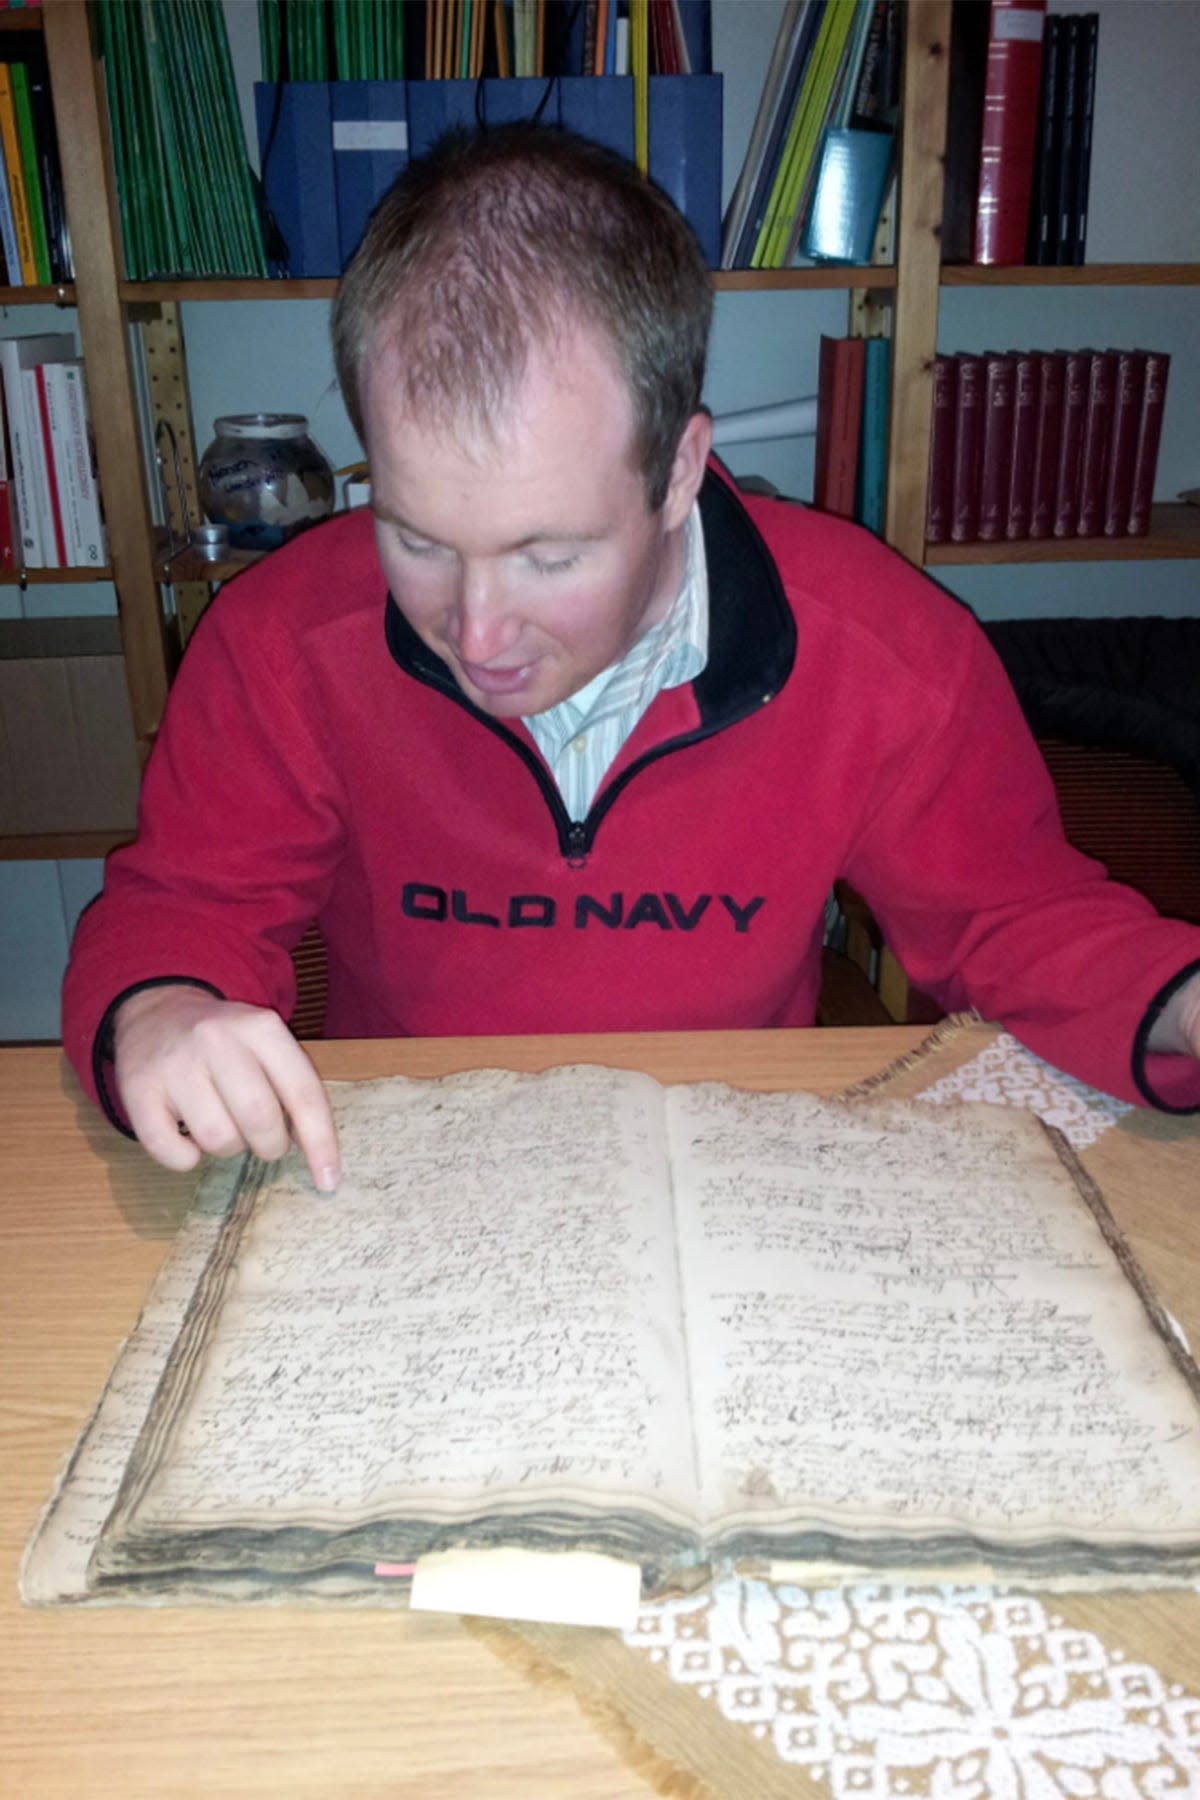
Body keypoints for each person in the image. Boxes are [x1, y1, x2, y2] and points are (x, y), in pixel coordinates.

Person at [62, 125, 1200, 1192]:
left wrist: (1179, 1001)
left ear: (681, 472)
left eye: (547, 555)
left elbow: (1016, 917)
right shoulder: (281, 640)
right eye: (416, 538)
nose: (476, 631)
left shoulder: (883, 649)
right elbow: (186, 902)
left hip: (730, 1179)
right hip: (404, 1184)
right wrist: (158, 1008)